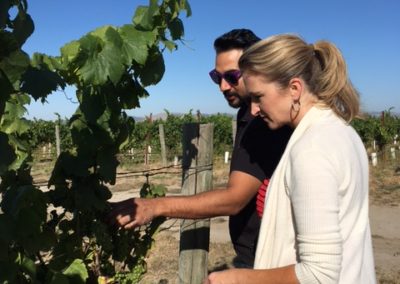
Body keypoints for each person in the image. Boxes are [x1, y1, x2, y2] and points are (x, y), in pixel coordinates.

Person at [108, 29, 292, 268]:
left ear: (257, 69)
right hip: (257, 251)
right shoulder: (249, 114)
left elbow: (234, 199)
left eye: (233, 76)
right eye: (217, 77)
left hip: (265, 258)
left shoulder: (264, 121)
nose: (223, 87)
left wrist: (155, 206)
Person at [205, 34, 376, 283]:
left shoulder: (311, 149)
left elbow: (318, 275)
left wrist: (236, 278)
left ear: (294, 89)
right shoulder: (340, 131)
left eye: (259, 97)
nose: (253, 109)